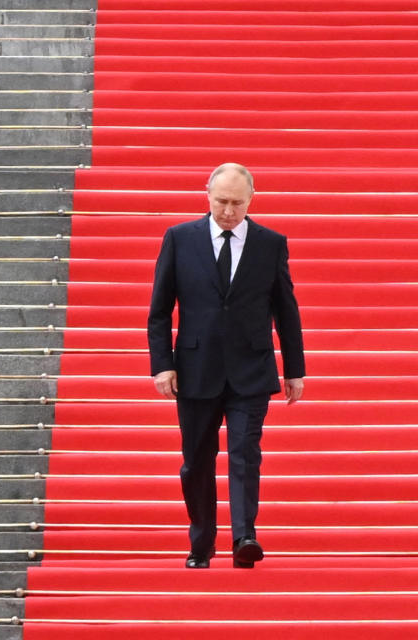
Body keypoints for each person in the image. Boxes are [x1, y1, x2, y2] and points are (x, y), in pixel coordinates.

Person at [147, 163, 306, 569]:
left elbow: (286, 310)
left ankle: (243, 537)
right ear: (207, 196)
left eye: (237, 203)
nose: (229, 211)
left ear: (252, 200)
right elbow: (160, 310)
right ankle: (201, 542)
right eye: (221, 201)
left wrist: (294, 368)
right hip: (195, 368)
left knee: (244, 453)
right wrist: (162, 365)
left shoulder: (271, 243)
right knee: (196, 460)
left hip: (250, 369)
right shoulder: (180, 239)